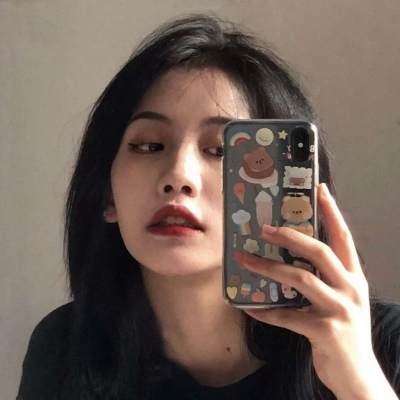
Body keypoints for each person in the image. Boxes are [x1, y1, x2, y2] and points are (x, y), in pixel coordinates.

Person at [17, 14, 400, 400]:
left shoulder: (382, 346)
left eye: (221, 150)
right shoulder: (64, 347)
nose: (179, 175)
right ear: (107, 193)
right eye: (149, 145)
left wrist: (359, 381)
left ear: (285, 189)